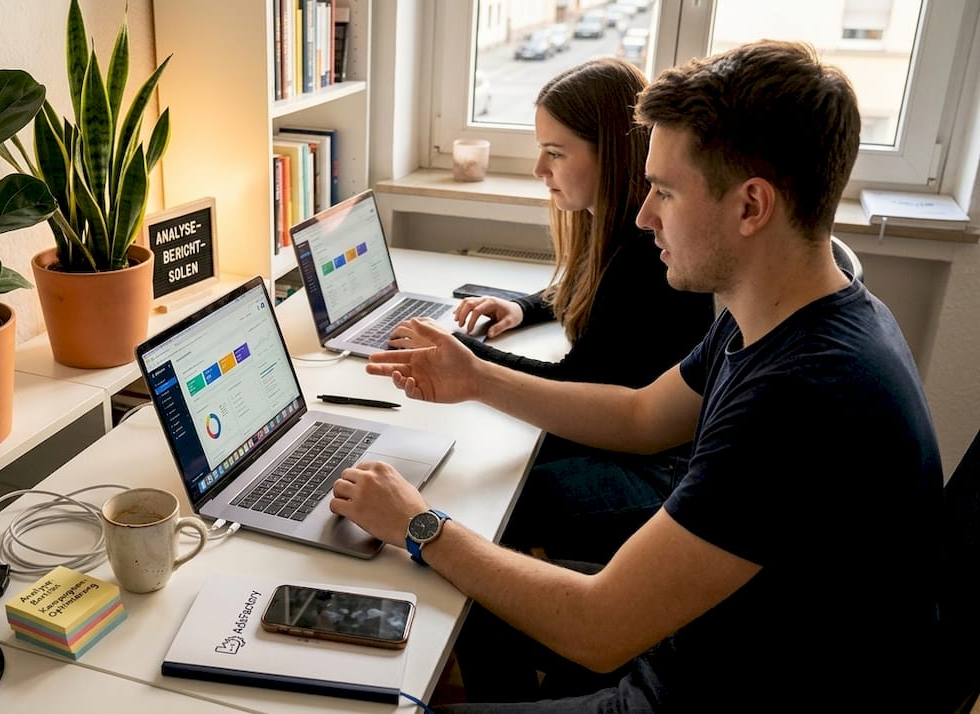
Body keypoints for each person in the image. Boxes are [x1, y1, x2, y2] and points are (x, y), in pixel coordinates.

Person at [332, 40, 942, 713]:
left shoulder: (805, 395)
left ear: (751, 207)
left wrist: (418, 524)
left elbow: (597, 628)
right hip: (709, 643)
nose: (645, 215)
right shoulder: (782, 310)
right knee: (460, 593)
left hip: (702, 692)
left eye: (666, 192)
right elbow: (642, 416)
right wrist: (477, 378)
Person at [394, 57, 714, 566]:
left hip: (657, 471)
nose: (539, 170)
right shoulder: (608, 227)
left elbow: (573, 385)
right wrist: (523, 307)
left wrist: (464, 355)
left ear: (612, 154)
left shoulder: (646, 254)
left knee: (475, 498)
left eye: (555, 153)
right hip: (635, 445)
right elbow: (586, 289)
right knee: (458, 464)